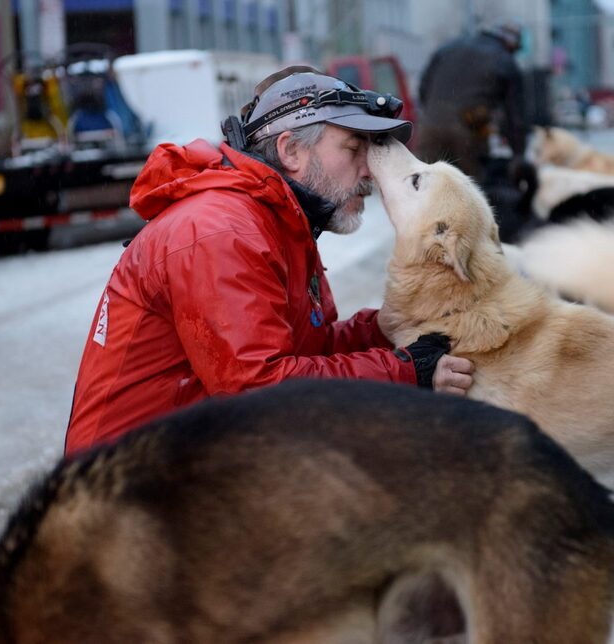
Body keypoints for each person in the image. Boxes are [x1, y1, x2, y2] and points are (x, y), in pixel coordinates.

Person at [64, 66, 475, 456]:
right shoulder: (221, 232)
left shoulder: (277, 223)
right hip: (126, 498)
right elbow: (257, 390)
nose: (369, 169)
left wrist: (382, 330)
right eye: (353, 148)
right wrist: (404, 373)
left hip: (185, 466)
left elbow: (302, 351)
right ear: (291, 150)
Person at [416, 22, 528, 181]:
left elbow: (423, 88)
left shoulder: (448, 47)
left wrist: (433, 115)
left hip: (431, 128)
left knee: (425, 185)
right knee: (470, 190)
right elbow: (515, 117)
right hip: (469, 130)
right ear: (512, 43)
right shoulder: (505, 61)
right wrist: (518, 155)